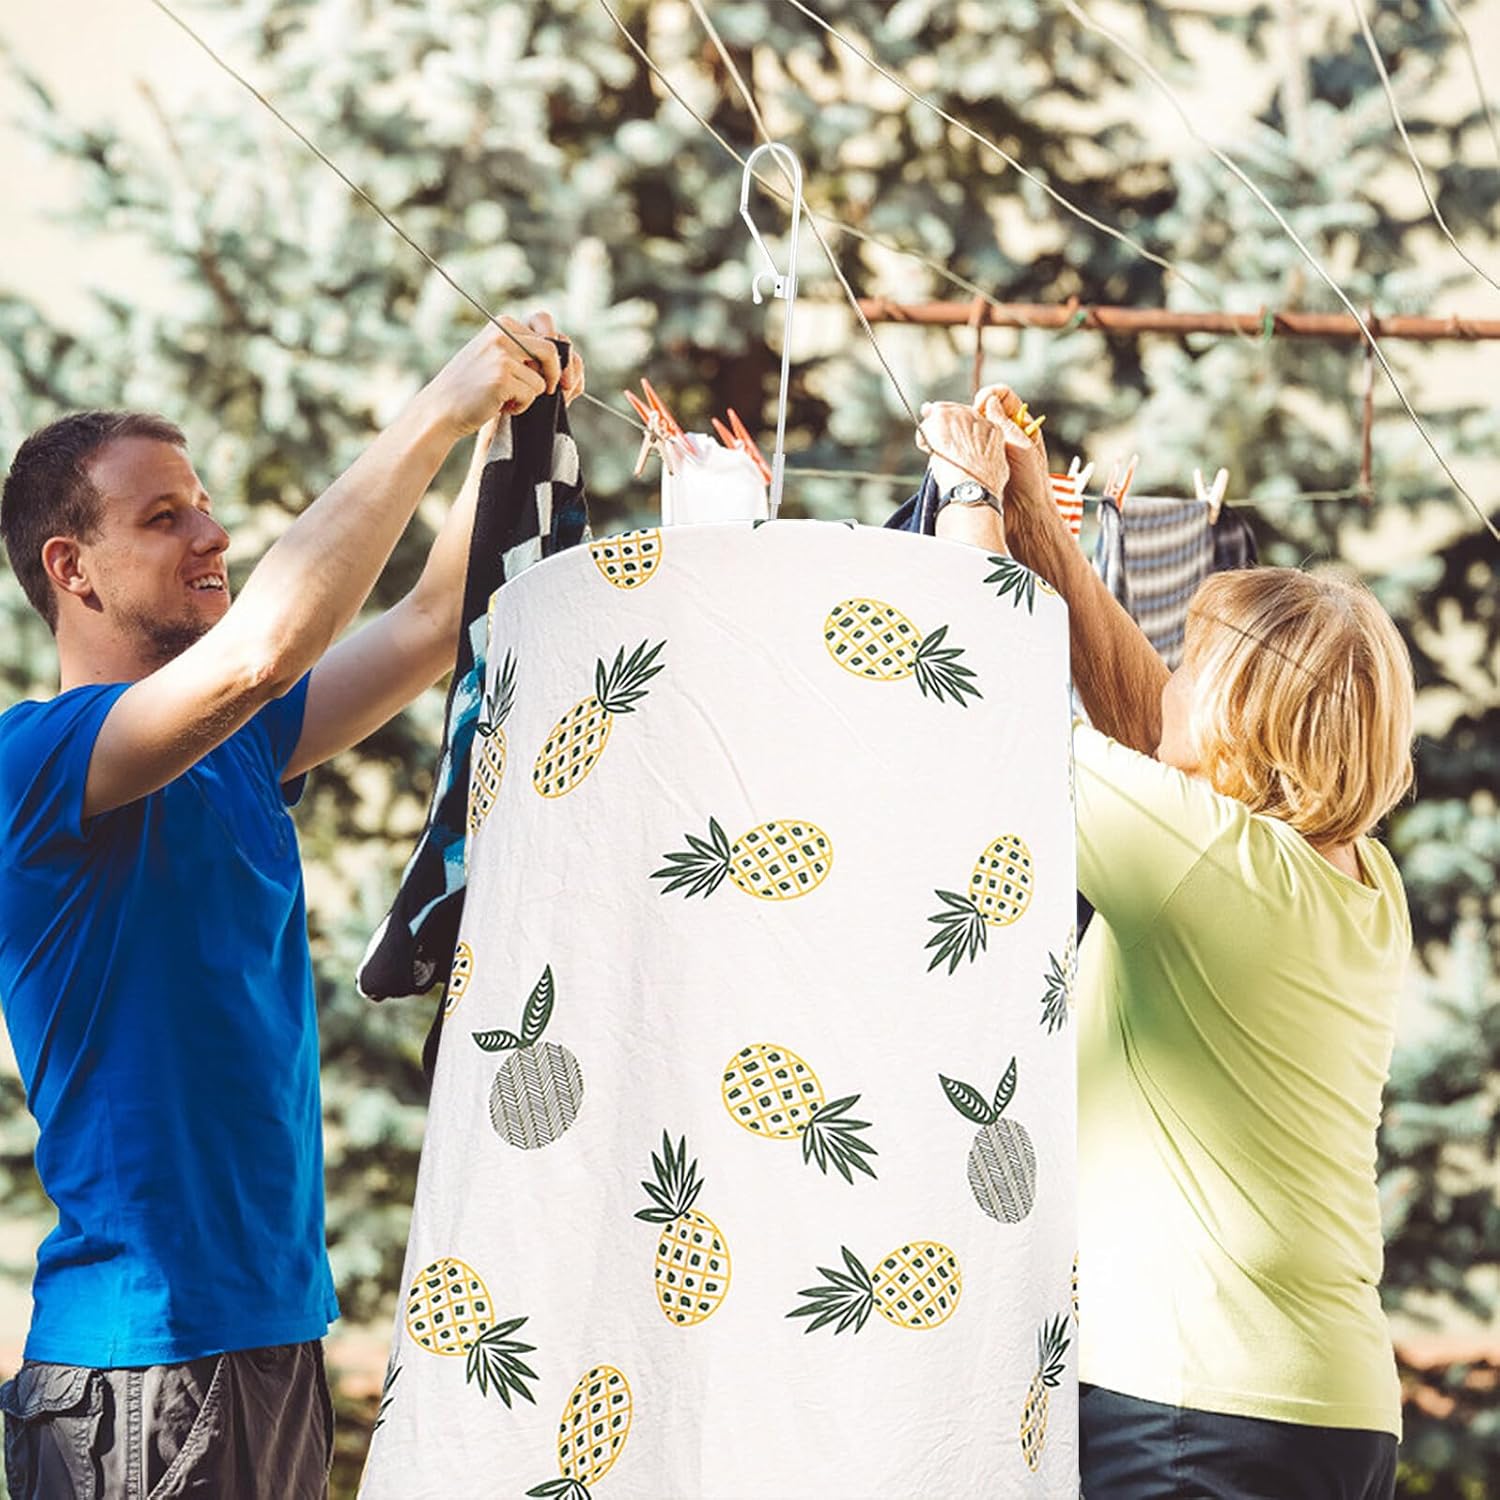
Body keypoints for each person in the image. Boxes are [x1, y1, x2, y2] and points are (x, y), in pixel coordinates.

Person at [0, 310, 583, 1499]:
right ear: (71, 568)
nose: (211, 534)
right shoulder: (36, 761)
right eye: (163, 517)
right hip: (142, 1360)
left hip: (271, 1337)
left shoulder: (239, 749)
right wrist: (437, 408)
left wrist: (504, 426)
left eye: (204, 505)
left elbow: (430, 623)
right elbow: (266, 647)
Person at [917, 390, 1412, 1499]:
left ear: (1239, 718)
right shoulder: (1356, 881)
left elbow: (984, 703)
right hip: (1336, 1412)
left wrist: (966, 495)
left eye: (1192, 664)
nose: (1169, 676)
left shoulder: (1209, 865)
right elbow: (1145, 725)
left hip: (1195, 1405)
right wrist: (1037, 524)